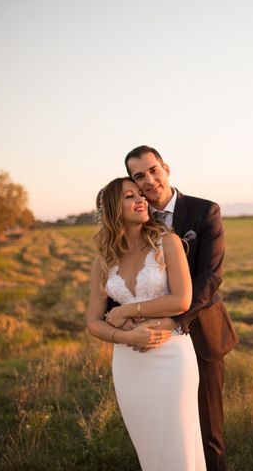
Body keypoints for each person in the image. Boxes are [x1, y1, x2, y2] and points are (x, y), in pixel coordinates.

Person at [124, 145, 238, 471]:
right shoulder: (135, 221)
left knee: (208, 430)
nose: (149, 180)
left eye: (153, 170)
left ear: (166, 168)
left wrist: (172, 320)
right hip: (151, 342)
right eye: (139, 176)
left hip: (201, 332)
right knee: (163, 426)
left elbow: (210, 278)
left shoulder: (204, 211)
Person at [86, 177, 206, 470]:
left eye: (141, 194)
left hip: (171, 356)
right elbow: (93, 322)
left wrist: (127, 311)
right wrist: (126, 338)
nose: (141, 199)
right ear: (115, 208)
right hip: (129, 364)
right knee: (150, 448)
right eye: (130, 196)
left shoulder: (169, 242)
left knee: (178, 443)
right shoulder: (103, 261)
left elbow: (181, 301)